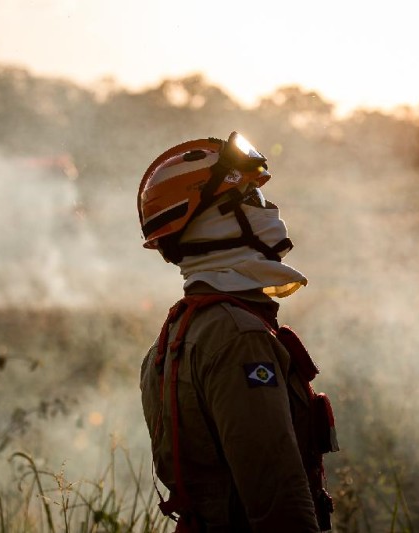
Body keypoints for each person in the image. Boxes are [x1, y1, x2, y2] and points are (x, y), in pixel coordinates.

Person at [137, 132, 338, 532]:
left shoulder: (176, 333)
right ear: (212, 222)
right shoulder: (239, 337)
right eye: (250, 199)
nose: (271, 208)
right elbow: (278, 502)